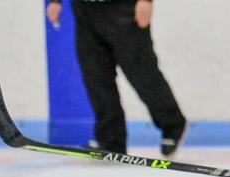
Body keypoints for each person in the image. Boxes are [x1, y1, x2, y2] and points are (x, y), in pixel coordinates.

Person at [46, 0, 187, 156]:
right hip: (85, 10)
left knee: (142, 73)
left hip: (124, 8)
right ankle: (110, 141)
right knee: (96, 77)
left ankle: (172, 124)